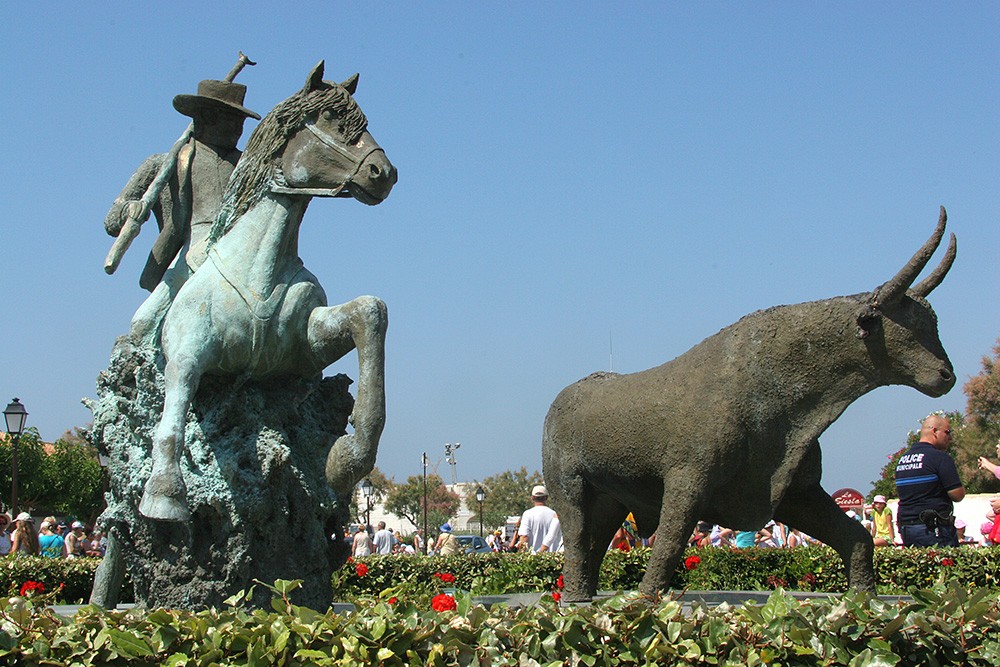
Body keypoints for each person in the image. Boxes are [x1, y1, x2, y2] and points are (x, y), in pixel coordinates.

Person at [104, 77, 260, 344]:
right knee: (145, 321)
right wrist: (131, 208)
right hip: (188, 254)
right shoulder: (162, 164)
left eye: (241, 121)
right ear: (206, 118)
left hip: (244, 251)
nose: (238, 128)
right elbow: (111, 220)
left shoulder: (250, 165)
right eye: (231, 119)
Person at [895, 414, 966, 547]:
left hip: (907, 528)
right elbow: (957, 495)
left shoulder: (902, 460)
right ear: (934, 431)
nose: (950, 438)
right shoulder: (940, 458)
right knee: (945, 566)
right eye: (947, 432)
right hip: (933, 529)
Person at [517, 485, 557, 553]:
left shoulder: (527, 514)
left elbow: (524, 537)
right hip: (552, 557)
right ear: (546, 497)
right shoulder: (554, 514)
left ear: (532, 498)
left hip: (533, 558)